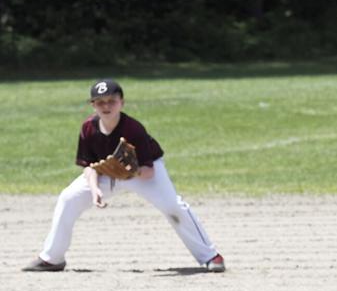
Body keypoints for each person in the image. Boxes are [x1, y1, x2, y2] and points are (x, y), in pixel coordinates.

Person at [22, 79, 225, 273]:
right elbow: (90, 166)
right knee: (69, 198)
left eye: (112, 100)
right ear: (93, 105)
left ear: (122, 103)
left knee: (173, 206)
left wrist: (132, 172)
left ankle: (210, 256)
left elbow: (149, 171)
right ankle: (52, 258)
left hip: (142, 172)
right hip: (107, 174)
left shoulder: (133, 129)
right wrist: (94, 190)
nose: (106, 106)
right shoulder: (88, 128)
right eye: (100, 102)